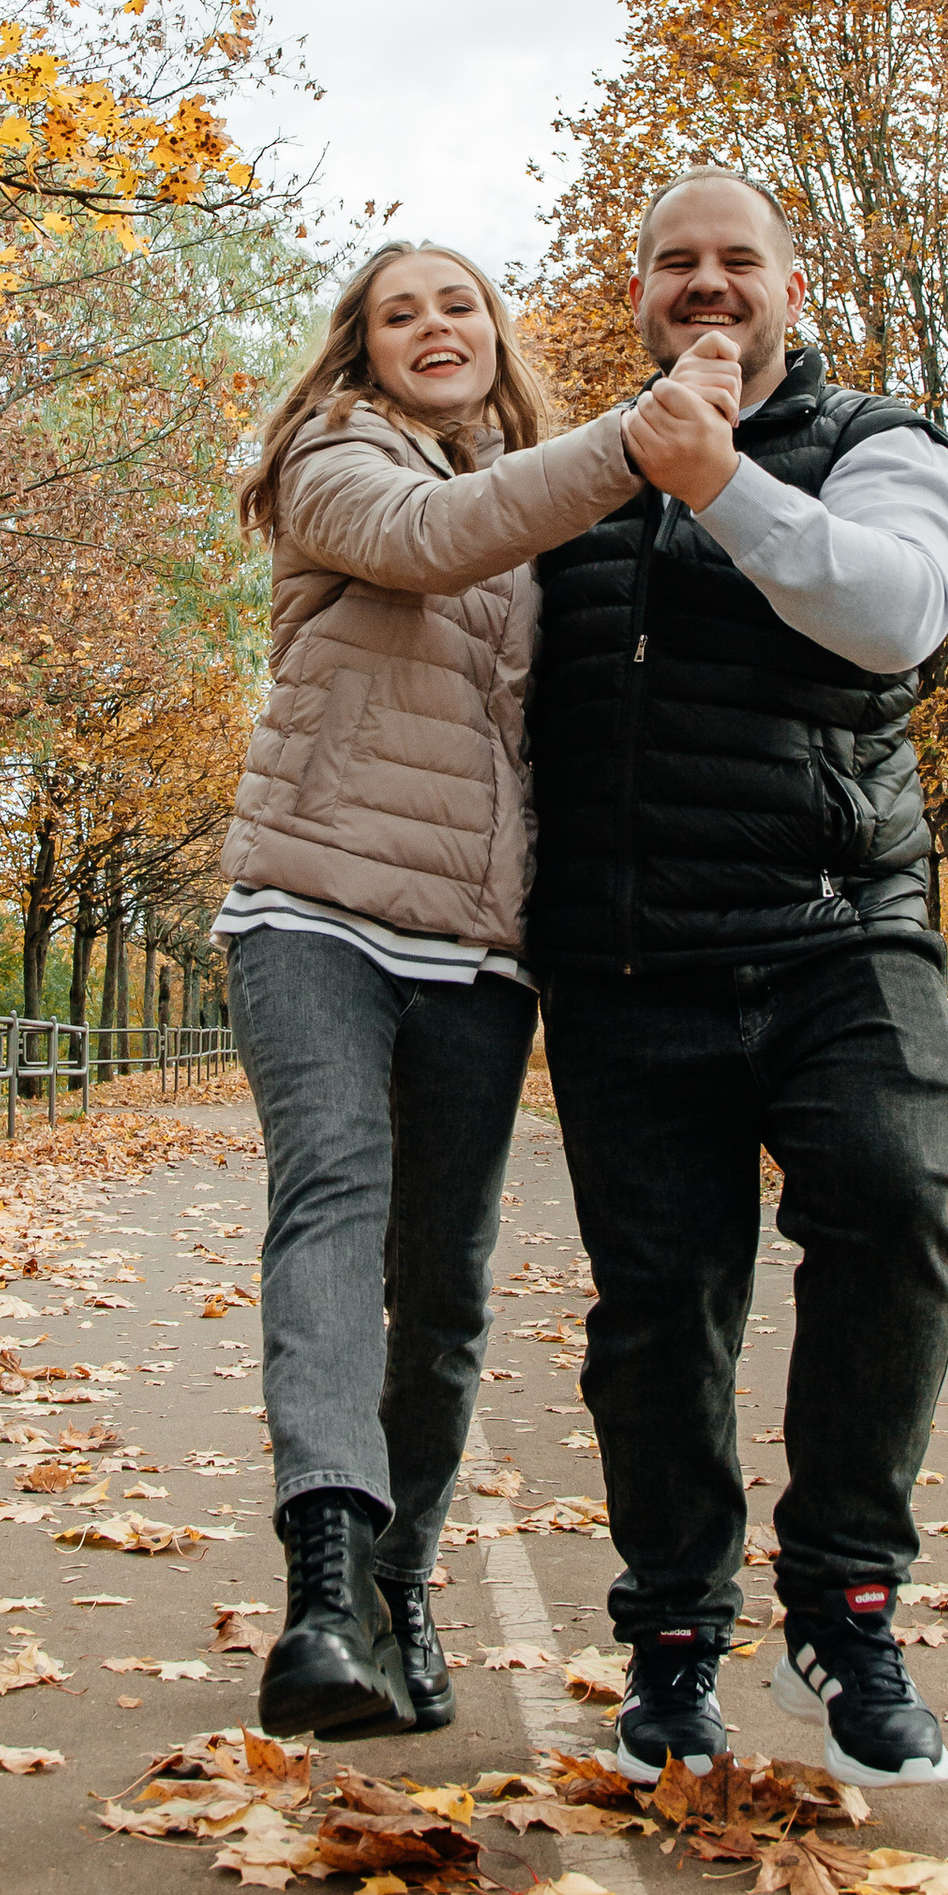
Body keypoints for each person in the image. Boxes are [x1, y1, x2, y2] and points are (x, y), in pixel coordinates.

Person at [526, 171, 948, 1788]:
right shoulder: (571, 478)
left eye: (737, 264)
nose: (705, 287)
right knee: (658, 1316)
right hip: (626, 966)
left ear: (793, 287)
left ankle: (846, 1606)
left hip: (838, 927)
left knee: (893, 1203)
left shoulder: (883, 444)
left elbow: (895, 615)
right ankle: (672, 1642)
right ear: (634, 292)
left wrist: (718, 481)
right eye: (674, 265)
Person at [218, 240, 644, 1740]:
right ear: (364, 349)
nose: (433, 327)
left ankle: (398, 1589)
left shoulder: (542, 511)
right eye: (401, 313)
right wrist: (634, 440)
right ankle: (324, 1583)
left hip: (475, 943)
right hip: (313, 902)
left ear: (493, 332)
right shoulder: (341, 462)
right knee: (332, 1195)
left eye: (457, 303)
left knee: (450, 1290)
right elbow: (436, 534)